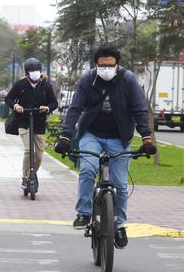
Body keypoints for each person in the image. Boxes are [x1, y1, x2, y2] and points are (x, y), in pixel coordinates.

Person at [54, 45, 157, 249]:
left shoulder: (128, 80)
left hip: (120, 137)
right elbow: (75, 109)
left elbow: (139, 109)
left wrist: (146, 138)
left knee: (120, 182)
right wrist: (65, 137)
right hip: (92, 133)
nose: (107, 69)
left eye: (111, 66)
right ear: (96, 64)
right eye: (102, 66)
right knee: (87, 169)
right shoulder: (87, 80)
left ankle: (119, 224)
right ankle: (83, 213)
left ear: (117, 64)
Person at [5, 58, 58, 191]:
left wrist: (46, 108)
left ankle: (32, 174)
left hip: (39, 122)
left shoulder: (46, 85)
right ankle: (25, 177)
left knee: (39, 155)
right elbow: (8, 99)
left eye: (37, 70)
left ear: (40, 71)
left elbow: (54, 103)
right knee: (29, 150)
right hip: (23, 121)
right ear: (27, 72)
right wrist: (16, 106)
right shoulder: (20, 85)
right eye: (31, 71)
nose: (35, 73)